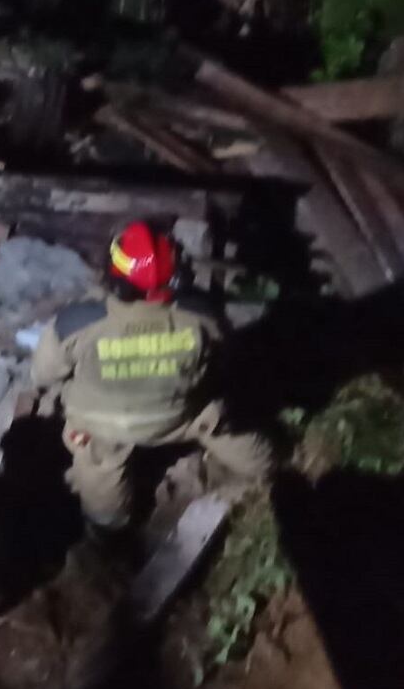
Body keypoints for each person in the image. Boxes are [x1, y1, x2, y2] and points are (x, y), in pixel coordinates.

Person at [31, 221, 273, 530]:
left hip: (104, 426)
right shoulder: (201, 316)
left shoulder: (76, 323)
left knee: (96, 460)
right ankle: (266, 468)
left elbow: (43, 375)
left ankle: (109, 524)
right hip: (179, 417)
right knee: (217, 417)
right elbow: (226, 359)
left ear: (114, 278)